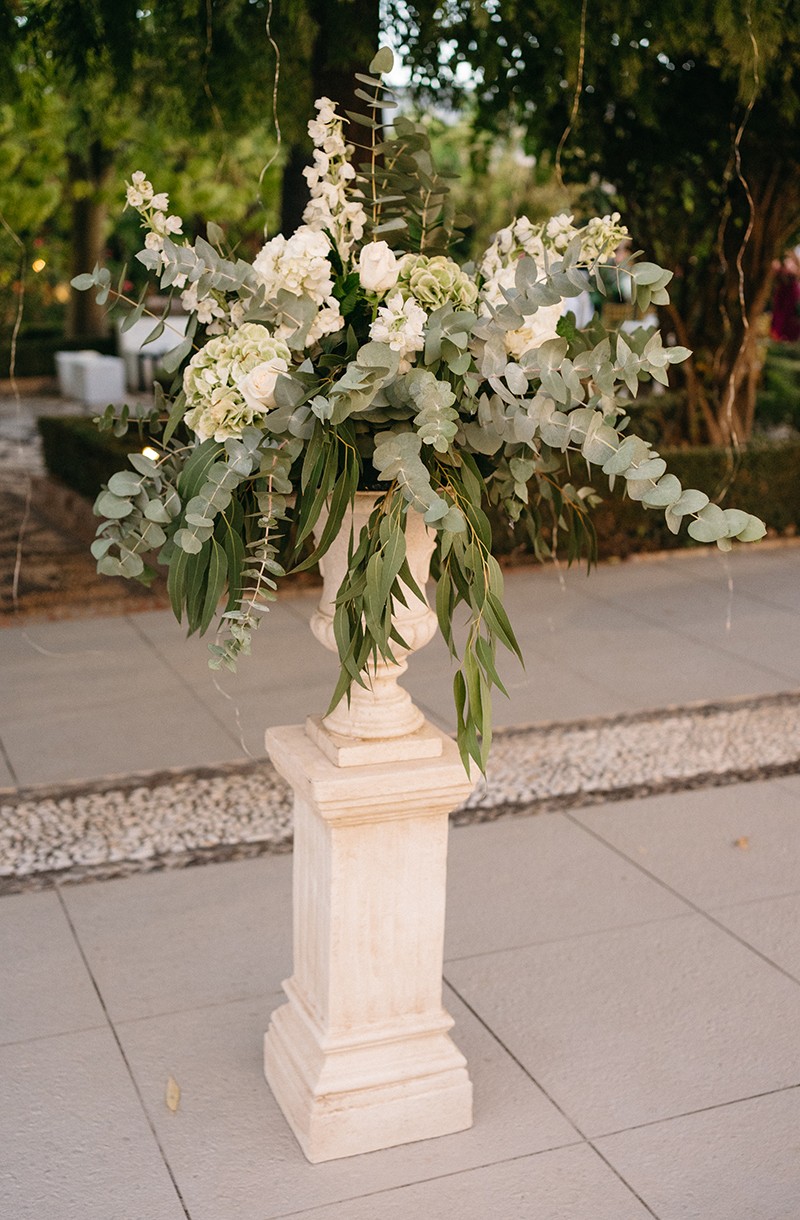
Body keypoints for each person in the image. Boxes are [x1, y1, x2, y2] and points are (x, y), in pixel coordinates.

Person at [769, 251, 800, 342]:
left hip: (790, 295)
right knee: (781, 316)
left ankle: (785, 337)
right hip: (784, 295)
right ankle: (780, 336)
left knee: (787, 318)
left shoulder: (792, 270)